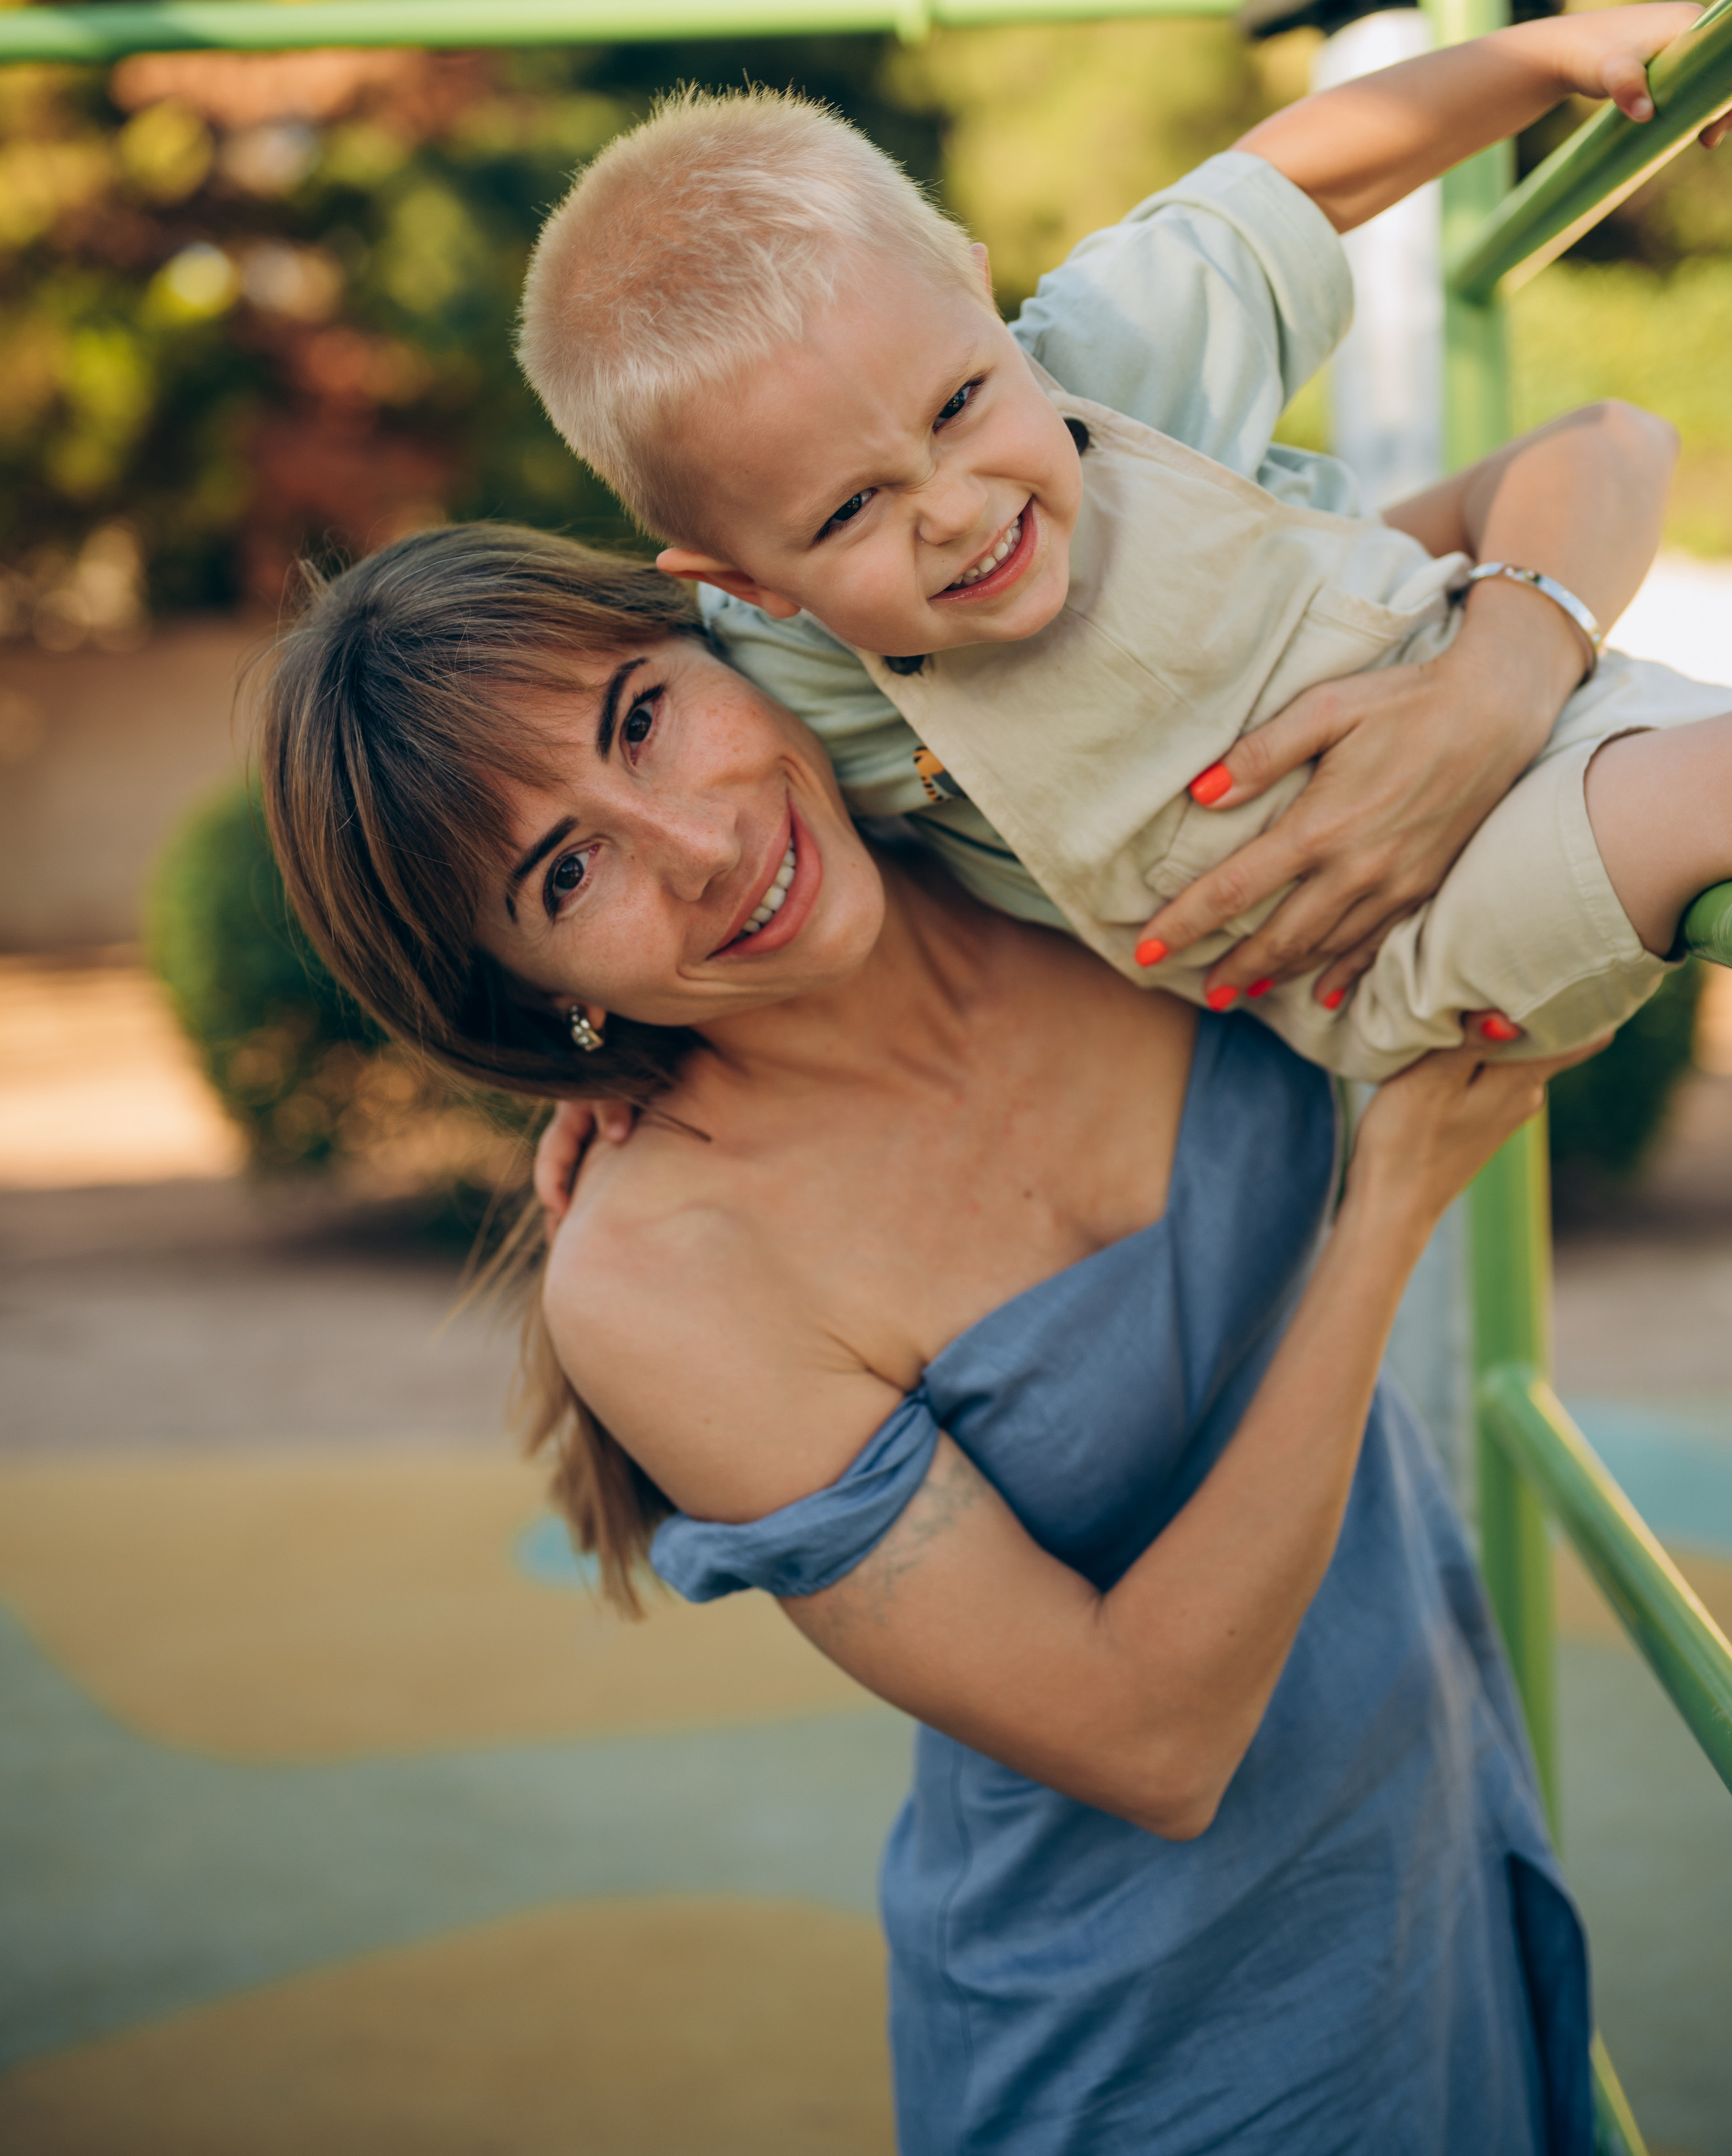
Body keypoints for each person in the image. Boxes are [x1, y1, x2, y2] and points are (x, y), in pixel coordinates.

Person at [259, 522, 1605, 2153]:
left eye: (638, 716)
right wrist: (1385, 1214)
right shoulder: (665, 1276)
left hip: (1430, 1850)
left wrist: (1507, 656)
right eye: (565, 872)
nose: (689, 843)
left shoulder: (1038, 804)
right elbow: (1150, 1740)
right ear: (521, 991)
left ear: (726, 640)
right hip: (1140, 2050)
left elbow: (1599, 458)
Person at [515, 15, 1732, 1082]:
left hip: (1522, 713)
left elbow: (1289, 178)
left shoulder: (1105, 361)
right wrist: (610, 1093)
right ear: (750, 583)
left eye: (958, 405)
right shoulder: (791, 692)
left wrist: (1557, 55)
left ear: (982, 297)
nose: (951, 508)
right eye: (850, 512)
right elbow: (689, 896)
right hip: (1381, 952)